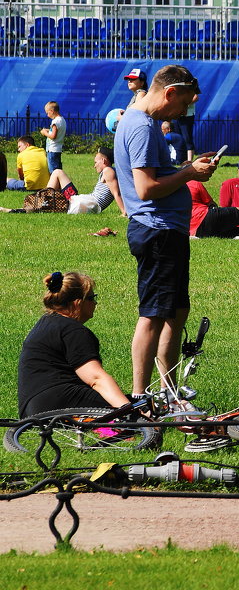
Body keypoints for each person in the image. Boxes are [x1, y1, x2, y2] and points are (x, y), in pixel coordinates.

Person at [114, 64, 219, 400]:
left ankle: (168, 389)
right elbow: (146, 188)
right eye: (183, 104)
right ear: (169, 92)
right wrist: (189, 172)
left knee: (176, 311)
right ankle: (140, 396)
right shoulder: (143, 127)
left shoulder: (138, 120)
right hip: (156, 231)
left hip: (165, 231)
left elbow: (155, 174)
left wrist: (185, 169)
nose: (184, 113)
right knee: (153, 315)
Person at [17, 271, 132, 418]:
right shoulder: (73, 331)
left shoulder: (45, 323)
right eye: (91, 298)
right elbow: (96, 379)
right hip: (57, 400)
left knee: (129, 401)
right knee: (132, 408)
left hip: (32, 408)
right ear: (78, 303)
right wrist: (130, 411)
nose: (95, 303)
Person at [3, 147, 125, 216]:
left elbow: (116, 193)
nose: (94, 166)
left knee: (47, 204)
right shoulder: (109, 171)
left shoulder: (108, 171)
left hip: (87, 204)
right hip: (84, 201)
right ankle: (42, 199)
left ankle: (14, 210)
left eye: (95, 162)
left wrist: (124, 212)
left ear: (103, 161)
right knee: (57, 173)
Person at [40, 101, 67, 172]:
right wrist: (48, 130)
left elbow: (53, 136)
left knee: (53, 171)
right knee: (58, 170)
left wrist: (45, 133)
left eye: (47, 113)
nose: (47, 115)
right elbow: (56, 131)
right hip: (58, 149)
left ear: (52, 111)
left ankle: (55, 182)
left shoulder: (55, 122)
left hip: (52, 149)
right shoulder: (62, 120)